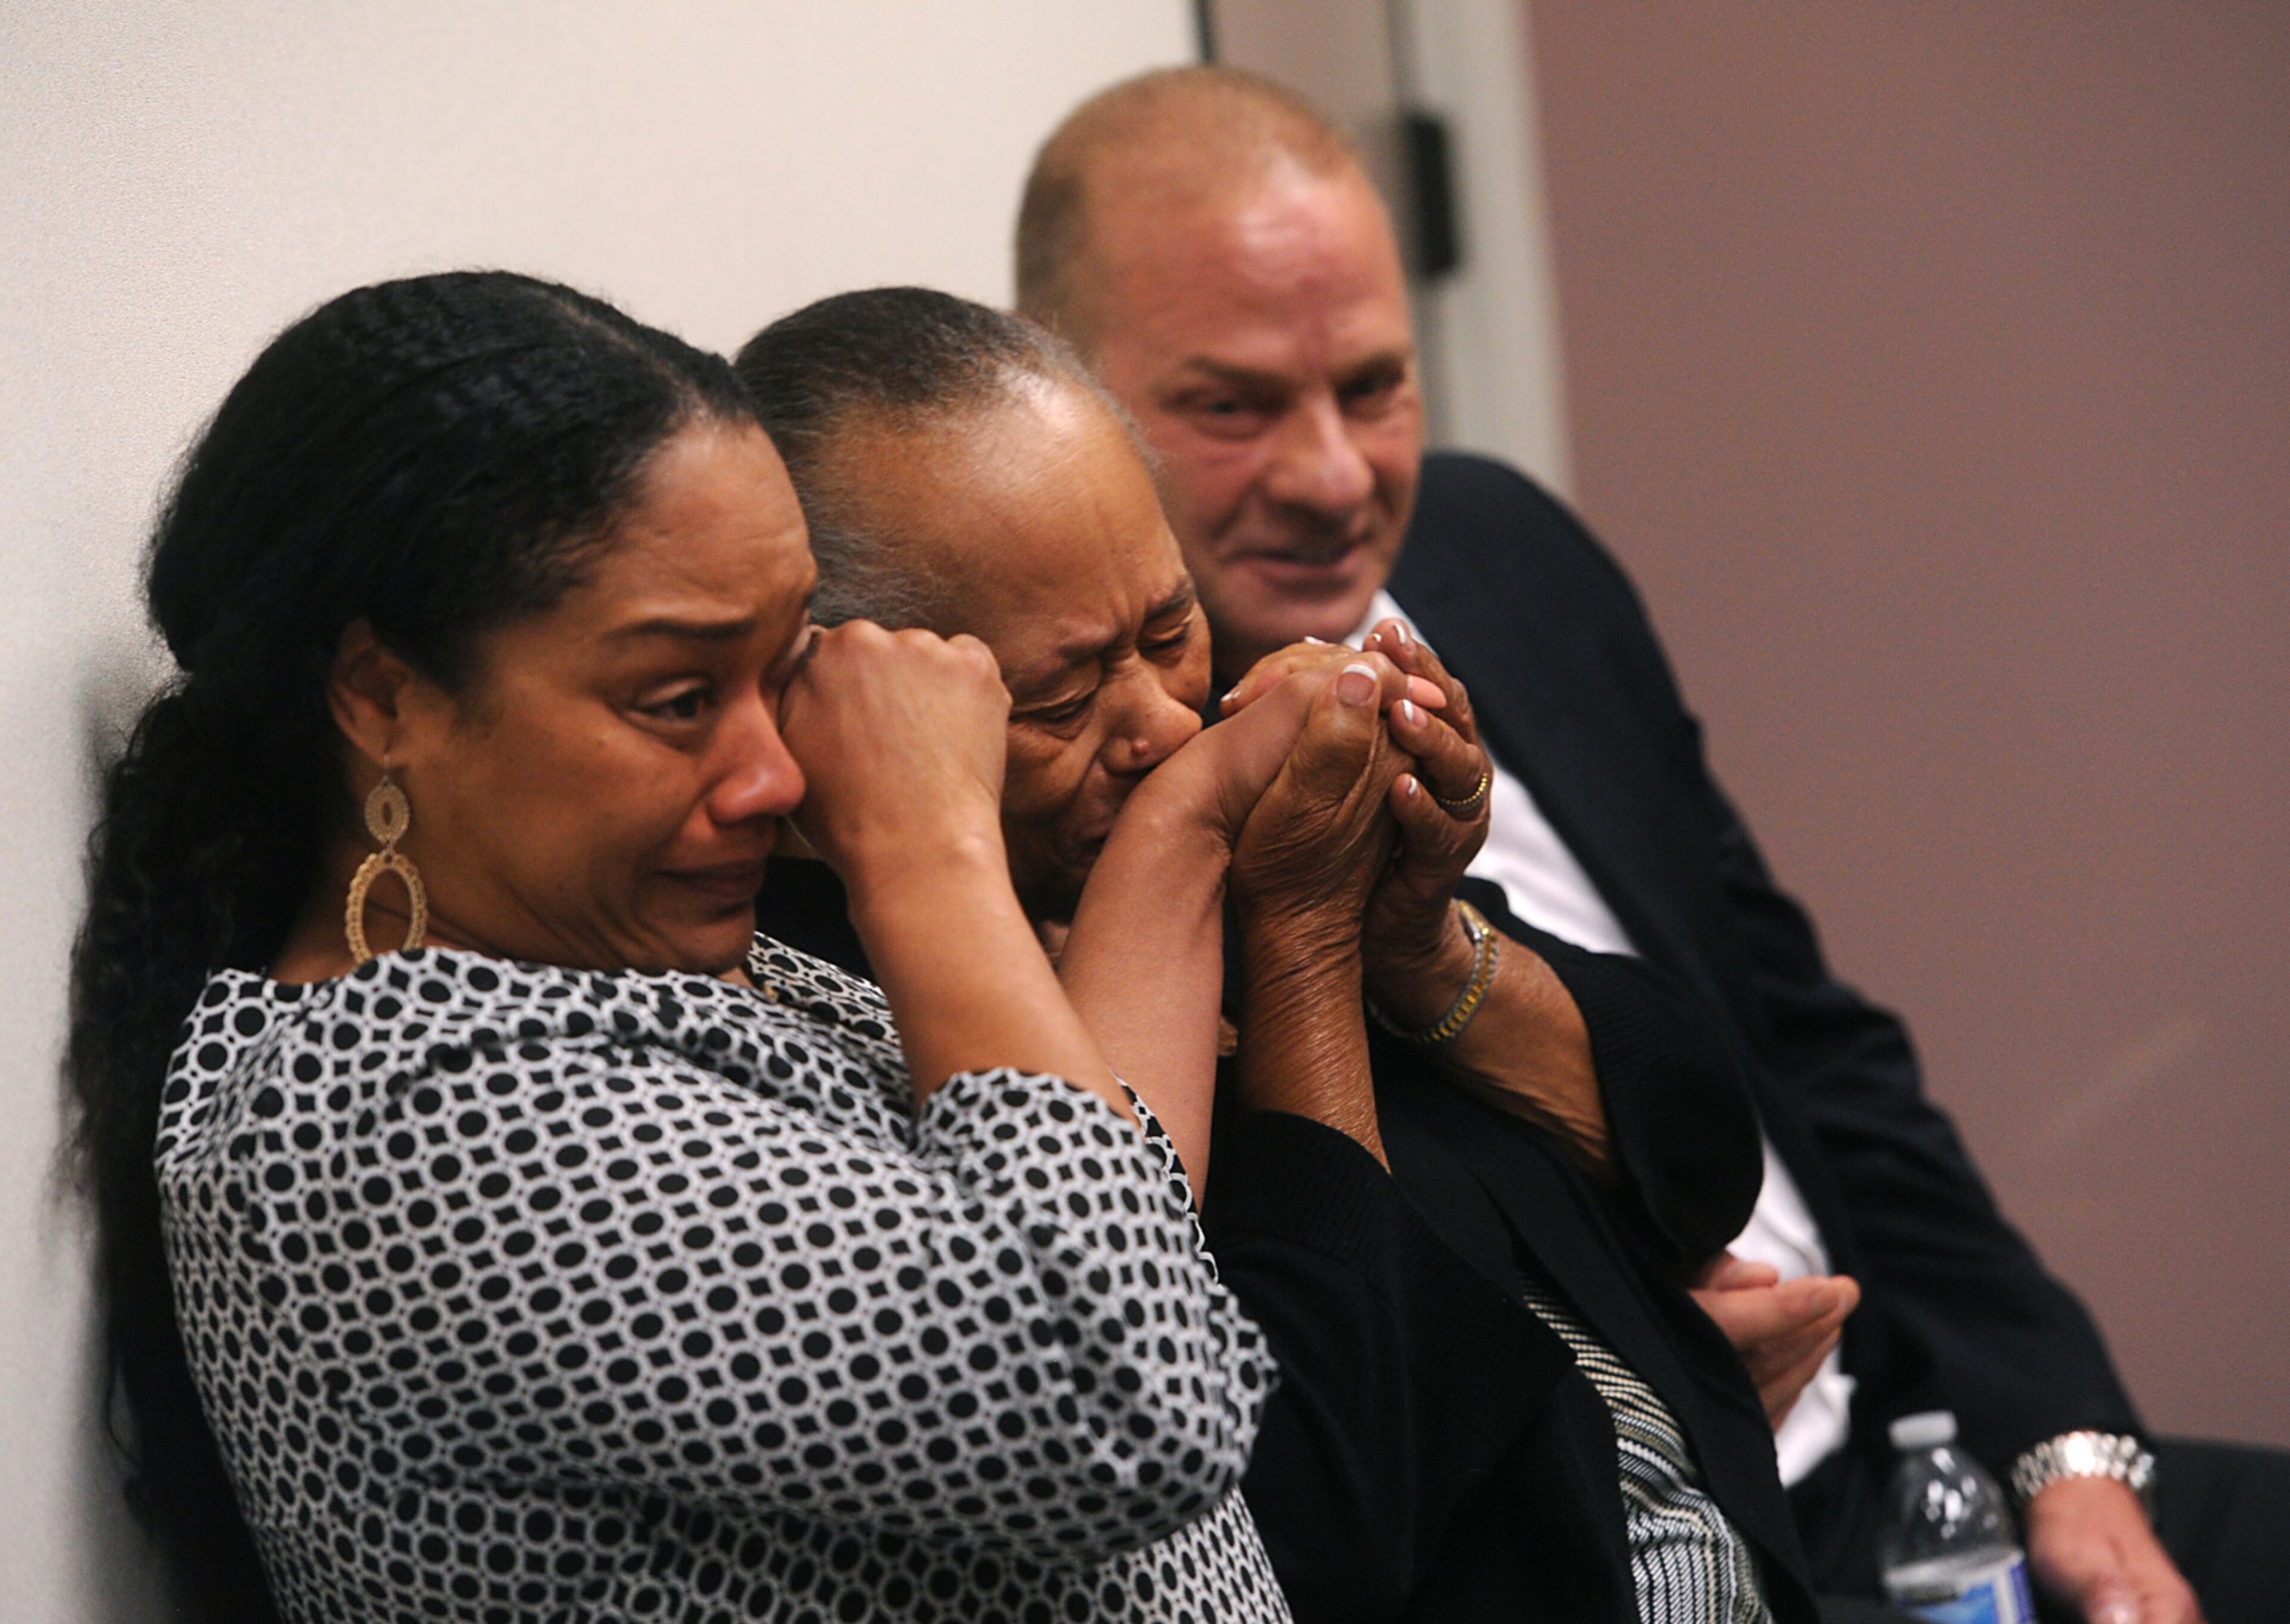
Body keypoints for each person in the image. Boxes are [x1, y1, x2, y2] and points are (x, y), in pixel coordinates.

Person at [1013, 63, 2290, 1624]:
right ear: (1070, 409)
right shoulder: (1089, 805)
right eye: (1232, 405)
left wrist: (2066, 1445)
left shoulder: (1506, 558)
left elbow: (1816, 1053)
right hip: (1646, 1539)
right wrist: (1653, 1376)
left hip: (1915, 1451)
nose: (1336, 476)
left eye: (1373, 384)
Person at [65, 269, 1296, 1624]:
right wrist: (926, 848)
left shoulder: (633, 969)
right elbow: (1130, 1397)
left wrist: (1194, 813)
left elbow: (1098, 1208)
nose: (775, 774)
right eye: (676, 699)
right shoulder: (384, 1118)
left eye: (783, 673)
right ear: (382, 694)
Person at [735, 286, 1824, 1624]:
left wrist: (1416, 942)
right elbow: (1302, 1513)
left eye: (1168, 630)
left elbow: (1702, 1157)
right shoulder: (852, 1011)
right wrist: (1295, 938)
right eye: (1061, 699)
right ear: (857, 709)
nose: (1151, 724)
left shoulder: (1227, 784)